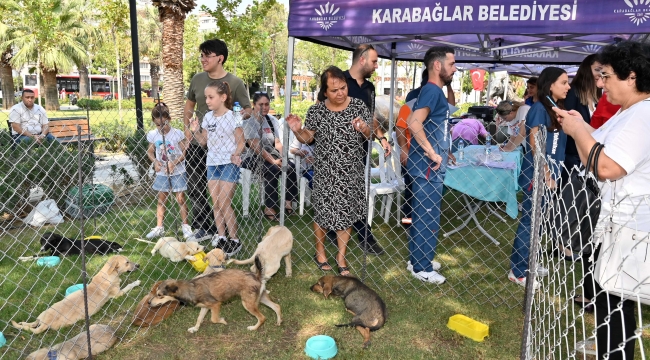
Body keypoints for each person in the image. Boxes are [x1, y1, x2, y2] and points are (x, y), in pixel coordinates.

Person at [553, 41, 650, 360]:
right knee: (611, 306)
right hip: (614, 225)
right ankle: (610, 351)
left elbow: (607, 166)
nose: (601, 82)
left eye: (607, 75)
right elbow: (592, 157)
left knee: (616, 308)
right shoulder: (629, 112)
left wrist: (579, 129)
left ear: (631, 77)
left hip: (628, 229)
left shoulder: (643, 115)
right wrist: (577, 129)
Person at [287, 66, 372, 276]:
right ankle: (320, 252)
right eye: (334, 90)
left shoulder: (358, 106)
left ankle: (341, 257)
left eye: (343, 88)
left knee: (347, 213)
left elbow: (370, 134)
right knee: (323, 213)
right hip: (325, 171)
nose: (340, 93)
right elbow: (308, 138)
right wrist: (298, 130)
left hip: (351, 171)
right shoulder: (316, 111)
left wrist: (363, 127)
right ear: (325, 92)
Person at [183, 39, 251, 243]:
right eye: (201, 55)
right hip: (199, 141)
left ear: (220, 58)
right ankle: (205, 226)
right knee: (196, 186)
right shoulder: (197, 79)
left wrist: (233, 119)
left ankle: (228, 234)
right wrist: (188, 132)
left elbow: (247, 109)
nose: (203, 59)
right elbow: (188, 108)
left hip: (226, 146)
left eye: (207, 55)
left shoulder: (236, 82)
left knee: (222, 196)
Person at [510, 67, 570, 288]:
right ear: (551, 84)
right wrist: (546, 175)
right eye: (564, 82)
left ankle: (529, 263)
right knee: (530, 221)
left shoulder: (556, 107)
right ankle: (518, 270)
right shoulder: (539, 109)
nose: (568, 86)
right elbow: (534, 145)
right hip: (538, 176)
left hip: (550, 174)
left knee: (539, 222)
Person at [405, 46, 457, 284]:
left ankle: (418, 259)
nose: (455, 69)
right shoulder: (432, 91)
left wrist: (444, 151)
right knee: (427, 216)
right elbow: (413, 122)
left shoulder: (434, 92)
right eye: (452, 64)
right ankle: (422, 268)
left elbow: (436, 127)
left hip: (430, 164)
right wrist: (433, 153)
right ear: (438, 65)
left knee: (423, 215)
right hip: (427, 166)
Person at [337, 44, 390, 255]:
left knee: (358, 194)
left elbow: (371, 117)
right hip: (338, 149)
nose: (376, 66)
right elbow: (323, 110)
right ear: (362, 60)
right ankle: (341, 233)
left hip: (360, 150)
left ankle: (364, 236)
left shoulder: (369, 88)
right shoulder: (338, 80)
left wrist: (382, 138)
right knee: (339, 194)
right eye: (374, 61)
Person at [188, 81, 246, 256]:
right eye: (206, 97)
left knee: (224, 202)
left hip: (229, 163)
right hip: (212, 163)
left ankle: (234, 240)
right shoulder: (207, 117)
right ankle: (221, 237)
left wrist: (236, 154)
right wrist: (195, 130)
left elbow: (241, 141)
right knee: (216, 203)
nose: (207, 100)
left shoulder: (234, 116)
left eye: (211, 97)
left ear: (223, 97)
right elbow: (203, 141)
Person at [242, 92, 298, 220]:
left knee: (290, 166)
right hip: (251, 157)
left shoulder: (271, 121)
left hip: (270, 154)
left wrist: (284, 157)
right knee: (272, 169)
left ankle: (287, 203)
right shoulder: (248, 123)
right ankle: (269, 209)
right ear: (254, 105)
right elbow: (257, 148)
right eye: (261, 104)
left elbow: (277, 143)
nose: (264, 107)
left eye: (267, 104)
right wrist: (273, 161)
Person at [145, 103, 193, 240]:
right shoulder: (154, 135)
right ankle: (159, 227)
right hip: (162, 172)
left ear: (169, 119)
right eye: (157, 125)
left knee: (181, 198)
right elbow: (149, 151)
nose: (161, 128)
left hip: (178, 171)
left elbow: (184, 152)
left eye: (164, 124)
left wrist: (174, 163)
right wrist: (155, 161)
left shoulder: (177, 134)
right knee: (162, 199)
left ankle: (186, 227)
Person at [564, 54, 602, 172]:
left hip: (592, 154)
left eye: (603, 71)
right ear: (586, 69)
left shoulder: (600, 96)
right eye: (597, 69)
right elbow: (567, 122)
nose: (600, 74)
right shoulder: (573, 92)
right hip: (574, 157)